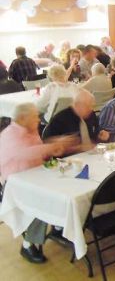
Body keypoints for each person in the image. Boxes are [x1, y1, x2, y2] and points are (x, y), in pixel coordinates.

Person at [0, 102, 75, 263]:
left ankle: (58, 227)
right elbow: (25, 154)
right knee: (41, 201)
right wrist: (52, 146)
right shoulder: (9, 135)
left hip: (37, 175)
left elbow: (39, 153)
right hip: (16, 183)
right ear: (22, 118)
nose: (39, 120)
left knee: (66, 187)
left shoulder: (31, 130)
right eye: (34, 117)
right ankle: (27, 245)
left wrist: (53, 150)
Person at [43, 89, 108, 148]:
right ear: (77, 105)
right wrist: (59, 142)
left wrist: (101, 135)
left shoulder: (91, 114)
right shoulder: (60, 119)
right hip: (70, 158)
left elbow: (96, 132)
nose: (91, 109)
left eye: (92, 106)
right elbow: (47, 142)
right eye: (88, 106)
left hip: (91, 154)